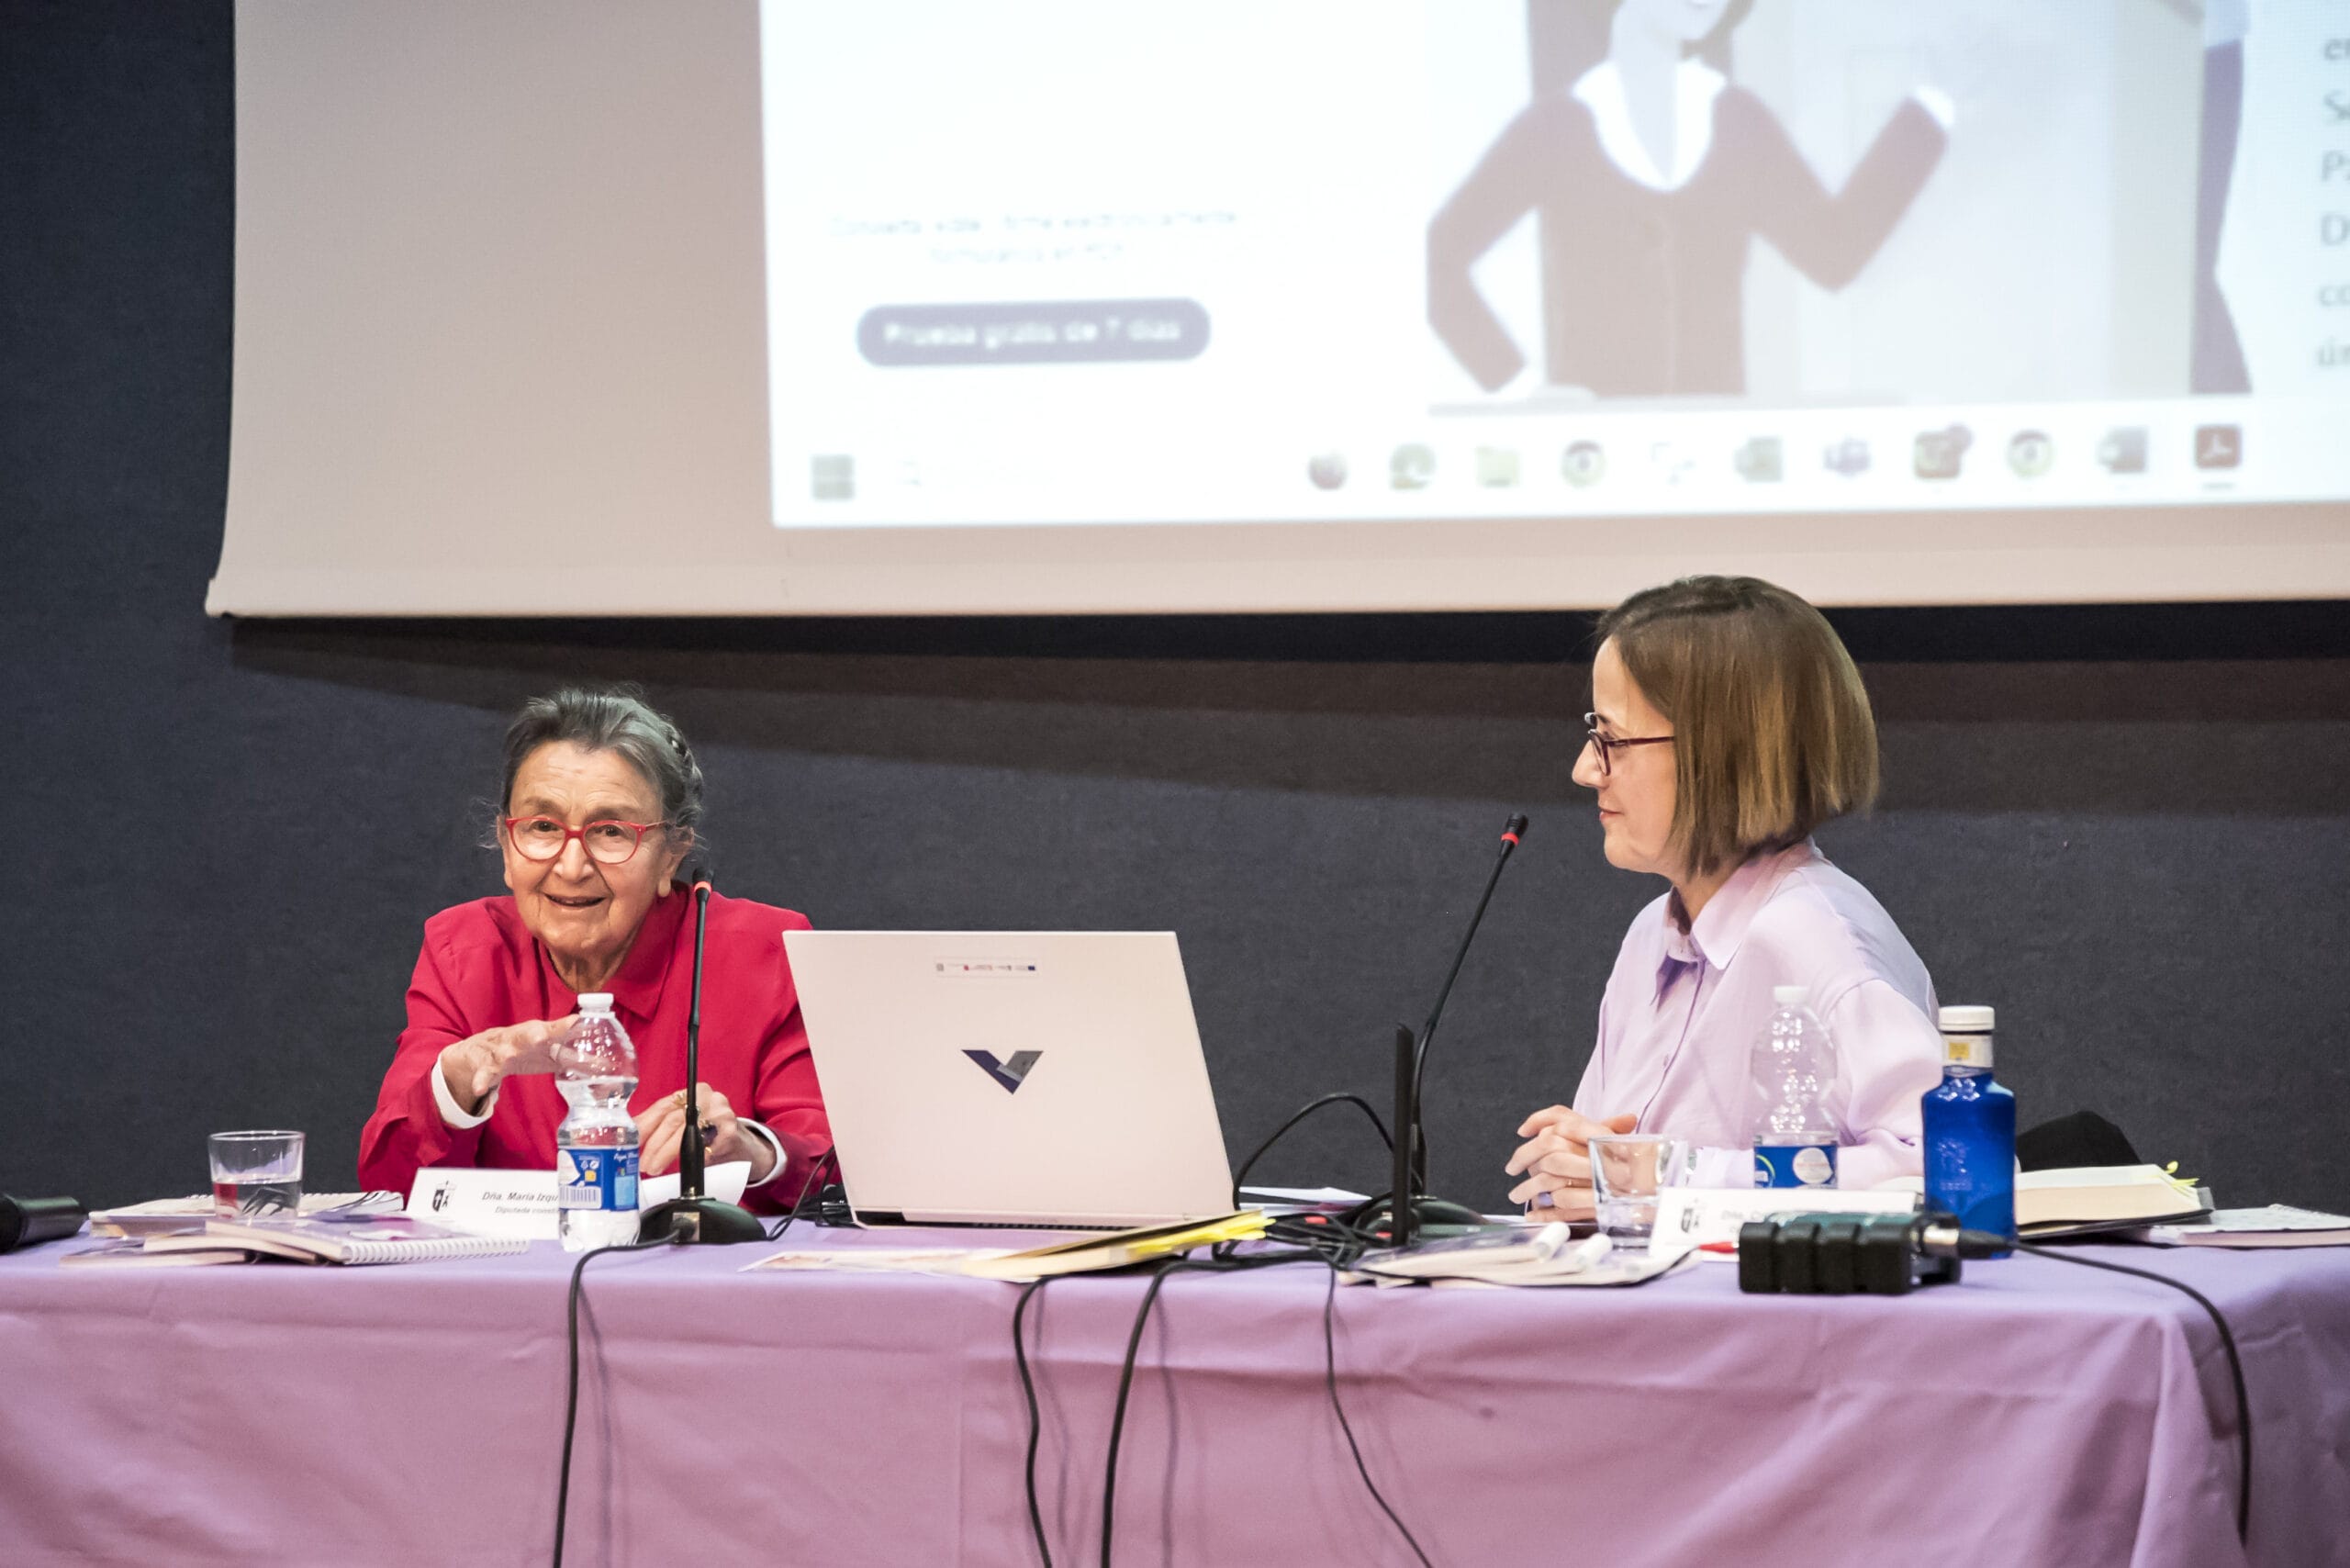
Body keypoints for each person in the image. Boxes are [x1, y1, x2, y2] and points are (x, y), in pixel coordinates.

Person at [1506, 577, 1942, 1214]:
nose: (1585, 769)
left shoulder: (1815, 937)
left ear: (1722, 754)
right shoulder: (1650, 936)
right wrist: (1577, 1179)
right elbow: (1623, 1184)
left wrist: (1673, 1177)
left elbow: (1941, 1169)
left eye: (1613, 739)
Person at [360, 687, 830, 1212]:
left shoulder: (764, 953)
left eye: (610, 831)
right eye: (542, 827)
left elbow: (831, 1163)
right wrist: (461, 1078)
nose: (571, 867)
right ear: (507, 846)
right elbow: (391, 1184)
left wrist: (751, 1151)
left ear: (672, 854)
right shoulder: (464, 950)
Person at [1429, 0, 1952, 397]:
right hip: (1598, 466)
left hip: (1719, 460)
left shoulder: (1739, 121)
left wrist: (1932, 110)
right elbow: (1439, 257)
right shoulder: (1557, 128)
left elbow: (1833, 252)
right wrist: (1515, 385)